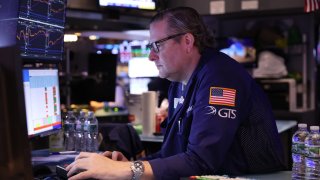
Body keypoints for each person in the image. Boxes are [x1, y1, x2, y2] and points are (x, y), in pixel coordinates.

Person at [66, 7, 285, 179]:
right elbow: (173, 156)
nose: (151, 56)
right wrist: (126, 165)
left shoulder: (220, 77)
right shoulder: (178, 83)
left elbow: (202, 160)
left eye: (157, 45)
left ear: (187, 41)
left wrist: (124, 171)